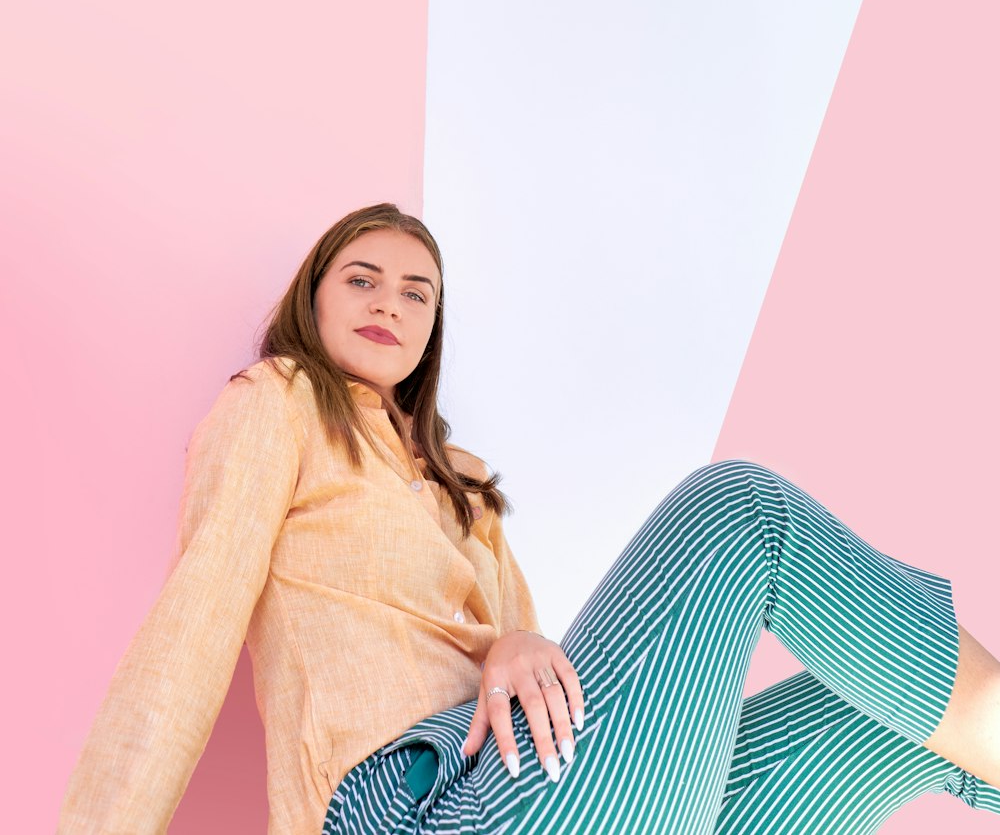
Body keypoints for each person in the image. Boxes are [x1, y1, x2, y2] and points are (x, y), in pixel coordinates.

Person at [57, 202, 1000, 835]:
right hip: (418, 808)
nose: (391, 300)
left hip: (534, 786)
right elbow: (191, 631)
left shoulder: (462, 481)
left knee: (884, 713)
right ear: (313, 294)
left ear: (432, 331)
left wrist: (513, 645)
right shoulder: (278, 403)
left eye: (416, 293)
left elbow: (540, 680)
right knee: (737, 510)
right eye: (362, 278)